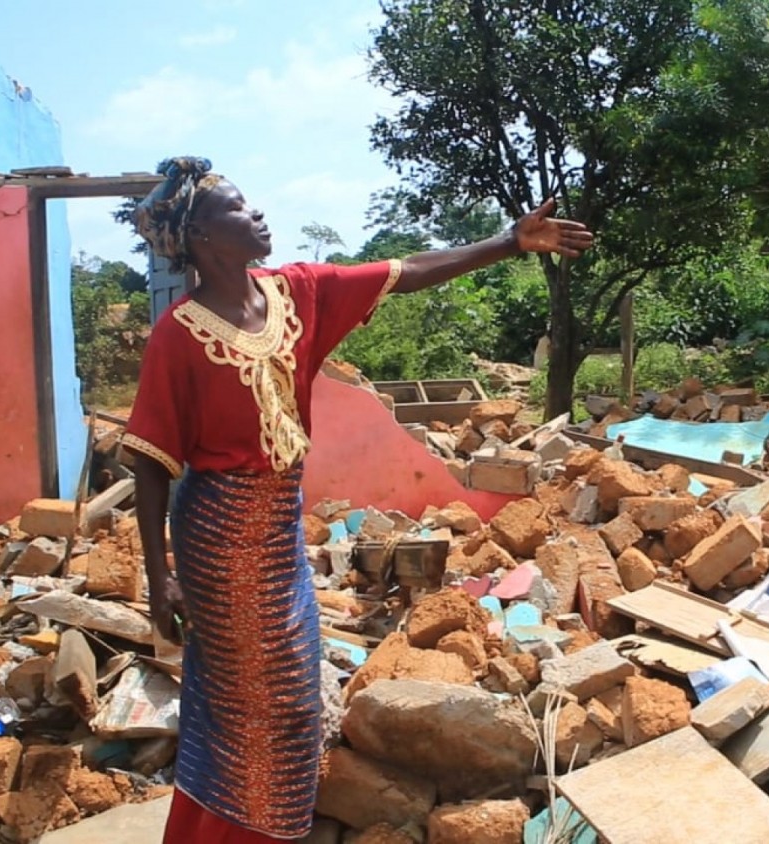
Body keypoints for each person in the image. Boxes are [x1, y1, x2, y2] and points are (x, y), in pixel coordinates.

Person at [121, 156, 593, 843]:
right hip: (217, 538)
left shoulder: (298, 293)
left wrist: (508, 242)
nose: (256, 213)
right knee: (246, 703)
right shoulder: (179, 335)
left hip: (278, 532)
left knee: (288, 697)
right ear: (201, 236)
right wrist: (159, 579)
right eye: (238, 207)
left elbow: (405, 272)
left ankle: (252, 828)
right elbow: (150, 463)